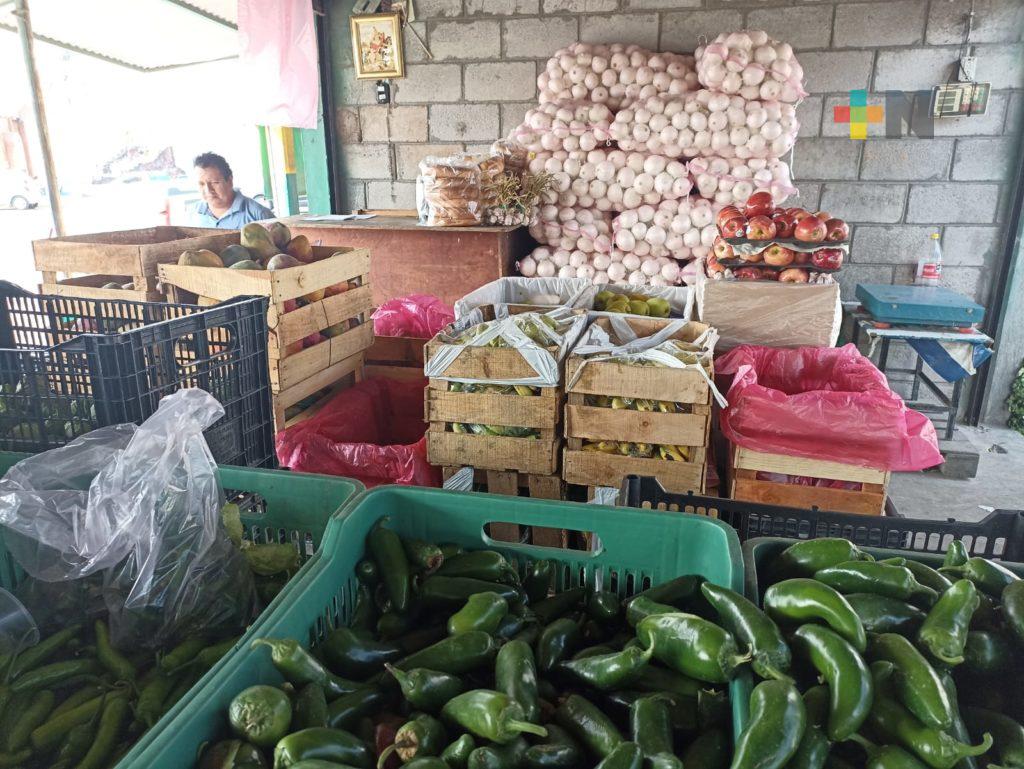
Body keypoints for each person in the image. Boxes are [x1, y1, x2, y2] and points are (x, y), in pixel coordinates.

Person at [190, 152, 274, 228]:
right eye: (201, 184)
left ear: (229, 181)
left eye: (214, 182)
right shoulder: (192, 214)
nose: (208, 190)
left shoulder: (260, 215)